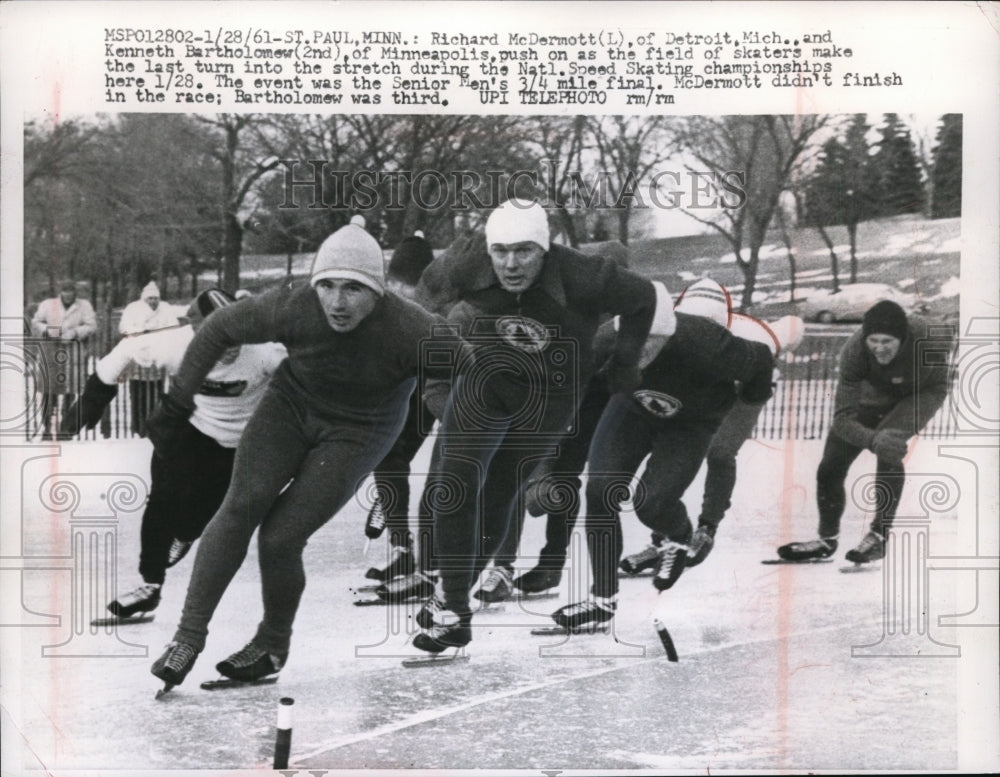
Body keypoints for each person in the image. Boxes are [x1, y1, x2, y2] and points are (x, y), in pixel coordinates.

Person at [148, 218, 463, 688]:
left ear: (377, 292)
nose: (337, 303)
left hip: (361, 429)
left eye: (353, 290)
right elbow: (217, 328)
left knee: (279, 538)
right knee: (240, 505)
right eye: (328, 286)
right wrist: (178, 401)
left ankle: (272, 645)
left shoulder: (413, 328)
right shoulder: (295, 305)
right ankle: (187, 637)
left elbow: (478, 371)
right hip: (291, 408)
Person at [408, 198, 658, 654]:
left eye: (524, 251)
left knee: (503, 488)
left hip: (552, 391)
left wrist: (625, 360)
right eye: (500, 251)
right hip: (487, 375)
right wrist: (435, 364)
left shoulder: (586, 274)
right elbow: (417, 310)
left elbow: (645, 298)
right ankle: (456, 608)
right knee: (455, 482)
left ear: (545, 249)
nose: (510, 263)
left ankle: (451, 599)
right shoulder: (464, 264)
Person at [551, 288, 800, 633]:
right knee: (600, 490)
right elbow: (573, 401)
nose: (638, 352)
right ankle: (602, 600)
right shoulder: (607, 338)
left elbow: (761, 360)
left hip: (691, 423)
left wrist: (750, 396)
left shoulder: (715, 346)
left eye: (649, 344)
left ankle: (679, 534)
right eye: (633, 342)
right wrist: (549, 467)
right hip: (632, 408)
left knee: (652, 501)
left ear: (669, 335)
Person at [62, 289, 286, 619]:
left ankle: (186, 533)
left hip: (242, 442)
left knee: (208, 511)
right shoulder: (172, 343)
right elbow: (121, 354)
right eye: (217, 340)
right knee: (162, 500)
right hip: (190, 428)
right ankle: (150, 584)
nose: (228, 350)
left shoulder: (267, 352)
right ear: (197, 332)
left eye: (235, 339)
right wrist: (86, 407)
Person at [776, 299, 951, 564]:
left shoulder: (929, 338)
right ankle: (827, 539)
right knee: (830, 467)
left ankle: (879, 536)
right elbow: (843, 420)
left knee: (889, 446)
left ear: (902, 339)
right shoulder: (854, 351)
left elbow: (959, 337)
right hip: (875, 395)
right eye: (874, 341)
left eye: (887, 342)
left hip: (921, 393)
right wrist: (871, 438)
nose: (879, 349)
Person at [361, 231, 439, 585]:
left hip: (437, 386)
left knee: (441, 466)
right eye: (396, 283)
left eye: (410, 284)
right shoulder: (382, 302)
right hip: (402, 385)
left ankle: (437, 558)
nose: (402, 291)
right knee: (388, 456)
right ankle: (401, 549)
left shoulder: (443, 299)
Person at [30, 280, 97, 440]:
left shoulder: (84, 305)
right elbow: (36, 321)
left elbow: (92, 325)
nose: (68, 294)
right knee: (49, 391)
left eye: (71, 291)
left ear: (75, 292)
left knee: (70, 390)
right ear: (61, 292)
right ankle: (46, 429)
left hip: (73, 349)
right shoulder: (48, 304)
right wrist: (51, 330)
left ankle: (64, 429)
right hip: (51, 349)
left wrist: (75, 332)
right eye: (65, 291)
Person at [119, 282, 180, 436]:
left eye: (155, 298)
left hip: (156, 356)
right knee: (137, 393)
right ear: (144, 299)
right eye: (149, 298)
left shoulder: (165, 308)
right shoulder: (133, 308)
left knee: (156, 393)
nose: (153, 301)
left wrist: (158, 336)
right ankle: (138, 426)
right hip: (138, 356)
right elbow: (125, 328)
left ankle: (153, 427)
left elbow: (173, 327)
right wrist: (141, 335)